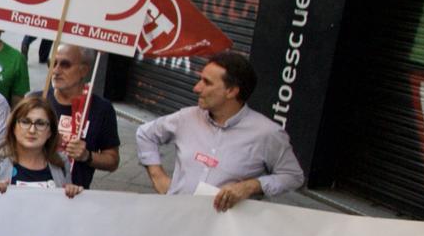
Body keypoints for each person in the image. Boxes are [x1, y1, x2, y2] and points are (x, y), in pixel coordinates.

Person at [134, 50, 305, 211]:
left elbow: (292, 176)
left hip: (225, 230)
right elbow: (145, 134)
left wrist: (252, 185)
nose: (196, 88)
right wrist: (158, 176)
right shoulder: (186, 117)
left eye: (206, 82)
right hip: (177, 216)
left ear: (231, 91)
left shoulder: (267, 133)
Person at [42, 43, 118, 188]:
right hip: (32, 189)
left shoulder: (102, 109)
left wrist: (87, 156)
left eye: (65, 64)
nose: (56, 70)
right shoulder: (38, 99)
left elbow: (112, 161)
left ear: (84, 70)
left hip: (74, 196)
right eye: (52, 63)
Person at [0, 96, 82, 197]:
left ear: (50, 132)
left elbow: (66, 206)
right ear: (13, 127)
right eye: (25, 122)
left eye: (40, 124)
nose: (32, 130)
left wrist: (73, 193)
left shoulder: (61, 162)